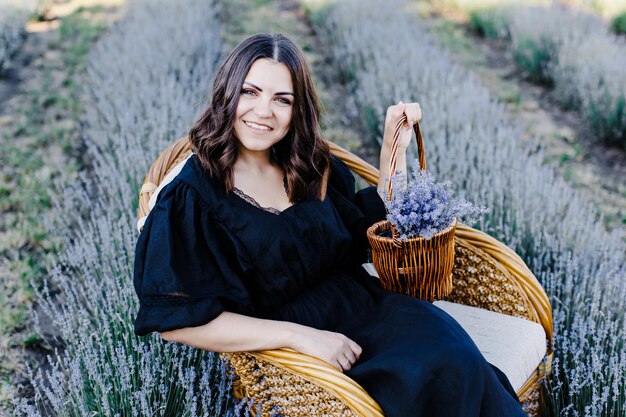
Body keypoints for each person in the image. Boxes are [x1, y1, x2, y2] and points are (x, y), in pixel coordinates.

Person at [133, 33, 527, 417]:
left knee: (458, 363)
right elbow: (178, 323)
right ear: (226, 94)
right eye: (250, 92)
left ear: (297, 109)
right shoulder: (192, 196)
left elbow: (370, 229)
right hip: (300, 353)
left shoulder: (306, 162)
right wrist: (300, 337)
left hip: (372, 307)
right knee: (434, 376)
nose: (263, 111)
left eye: (282, 100)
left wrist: (394, 148)